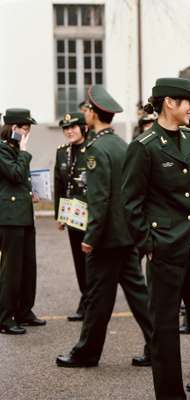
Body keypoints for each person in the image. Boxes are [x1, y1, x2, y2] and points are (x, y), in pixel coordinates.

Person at [122, 77, 190, 400]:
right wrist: (149, 245)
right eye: (187, 102)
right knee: (165, 331)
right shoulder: (144, 146)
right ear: (169, 102)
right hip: (165, 250)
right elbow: (131, 203)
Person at [56, 85, 152, 368]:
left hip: (107, 238)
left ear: (94, 114)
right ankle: (157, 345)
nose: (84, 113)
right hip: (126, 236)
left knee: (98, 297)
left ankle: (86, 352)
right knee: (139, 295)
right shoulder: (122, 145)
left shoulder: (96, 149)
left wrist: (91, 236)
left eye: (86, 109)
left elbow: (99, 199)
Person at [0, 108, 46, 335]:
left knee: (29, 266)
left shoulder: (14, 149)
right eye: (23, 128)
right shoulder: (2, 149)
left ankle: (24, 311)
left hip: (24, 215)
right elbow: (15, 174)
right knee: (12, 269)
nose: (26, 133)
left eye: (28, 129)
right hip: (9, 218)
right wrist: (24, 151)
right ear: (12, 128)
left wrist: (32, 192)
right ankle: (5, 318)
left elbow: (19, 182)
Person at [53, 112, 89, 322]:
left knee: (91, 260)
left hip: (90, 212)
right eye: (66, 128)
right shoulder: (62, 152)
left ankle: (90, 302)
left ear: (83, 128)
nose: (69, 131)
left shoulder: (91, 149)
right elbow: (59, 184)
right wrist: (60, 214)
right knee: (78, 260)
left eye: (73, 127)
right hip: (71, 214)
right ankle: (85, 298)